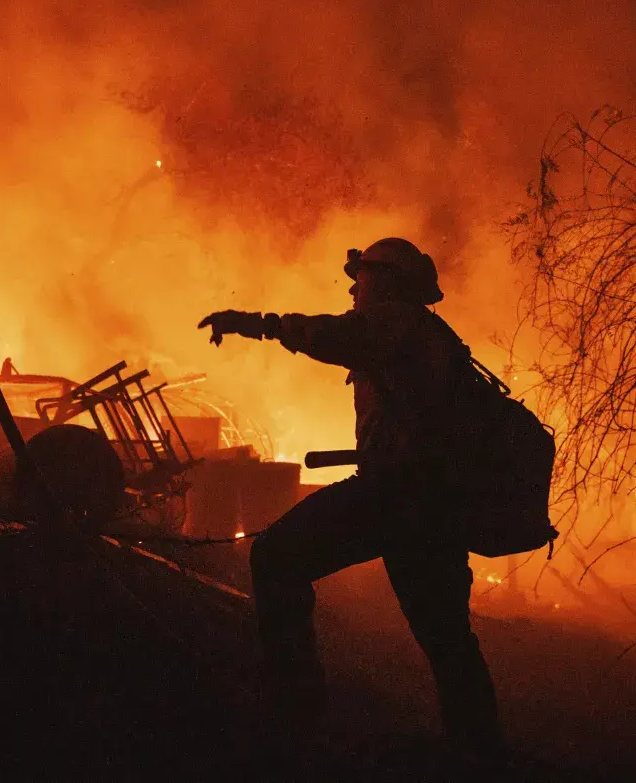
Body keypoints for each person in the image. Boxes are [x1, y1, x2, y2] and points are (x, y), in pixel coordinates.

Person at [197, 237, 504, 759]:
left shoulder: (395, 323)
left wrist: (257, 322)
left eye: (360, 279)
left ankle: (294, 715)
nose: (352, 289)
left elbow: (332, 335)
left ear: (383, 282)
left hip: (398, 497)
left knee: (275, 558)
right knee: (445, 633)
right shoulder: (423, 331)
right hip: (430, 505)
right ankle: (480, 751)